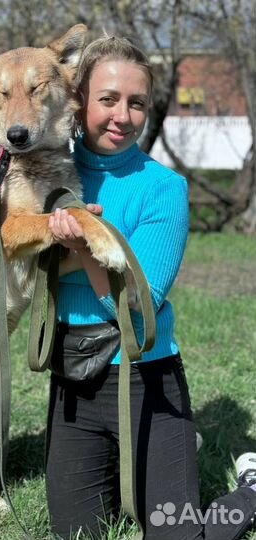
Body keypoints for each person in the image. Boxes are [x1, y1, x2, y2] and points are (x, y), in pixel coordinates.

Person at [45, 34, 256, 540]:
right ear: (79, 101)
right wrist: (97, 251)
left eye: (136, 102)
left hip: (146, 378)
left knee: (177, 534)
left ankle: (250, 490)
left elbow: (140, 303)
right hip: (73, 381)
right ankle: (160, 462)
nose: (122, 115)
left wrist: (74, 248)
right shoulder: (48, 172)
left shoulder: (164, 188)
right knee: (76, 534)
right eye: (108, 99)